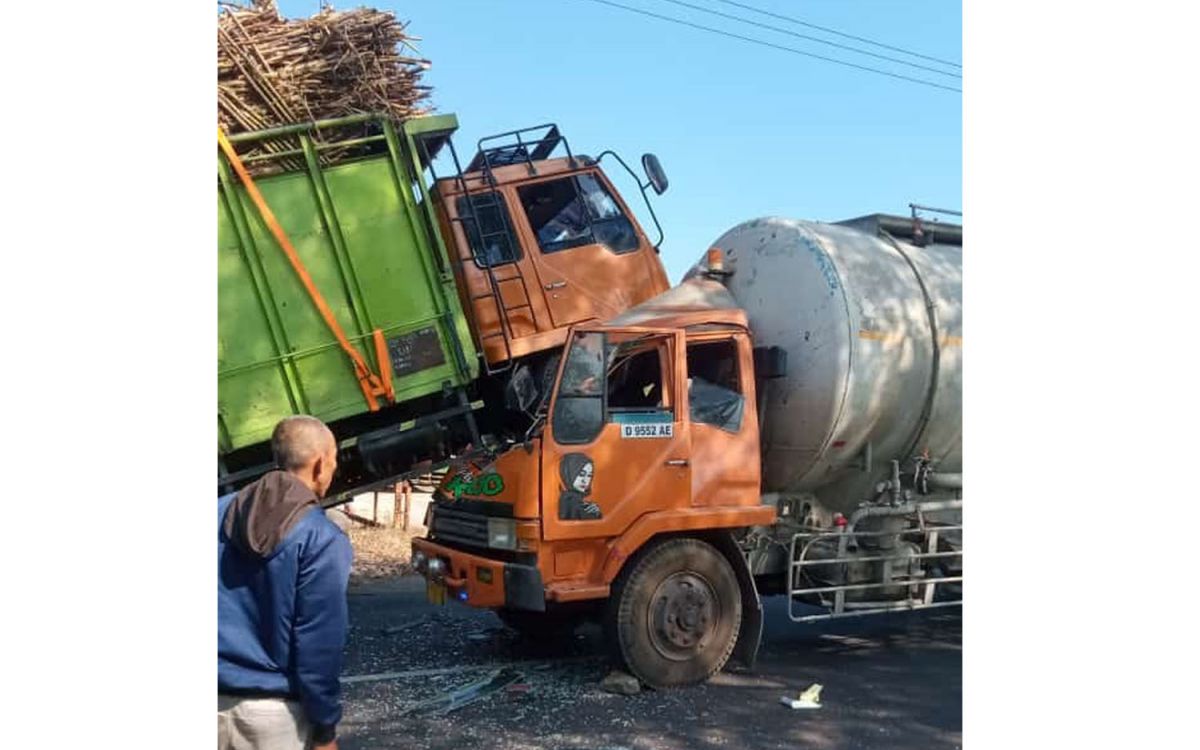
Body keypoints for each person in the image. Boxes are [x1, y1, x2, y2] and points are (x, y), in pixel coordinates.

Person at [218, 416, 353, 750]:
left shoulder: (217, 513)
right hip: (274, 718)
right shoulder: (321, 538)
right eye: (334, 459)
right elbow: (318, 643)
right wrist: (325, 728)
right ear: (320, 464)